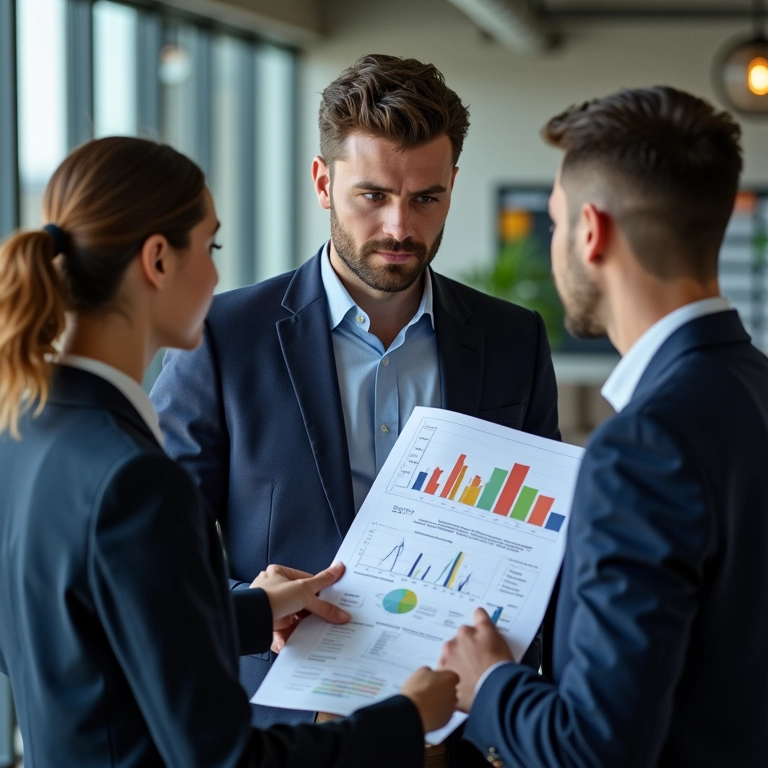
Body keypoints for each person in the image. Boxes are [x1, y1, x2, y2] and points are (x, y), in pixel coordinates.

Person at [0, 136, 459, 768]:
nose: (217, 276)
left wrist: (252, 611)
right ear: (157, 260)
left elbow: (70, 633)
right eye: (210, 247)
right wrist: (405, 719)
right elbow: (227, 758)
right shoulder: (137, 479)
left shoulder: (23, 427)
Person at [150, 54, 560, 735]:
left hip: (462, 724)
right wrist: (250, 605)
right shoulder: (223, 337)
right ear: (323, 181)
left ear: (452, 186)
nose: (400, 227)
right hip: (288, 725)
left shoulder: (513, 339)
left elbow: (543, 545)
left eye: (425, 198)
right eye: (373, 196)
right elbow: (161, 550)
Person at [438, 86, 768, 767]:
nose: (553, 244)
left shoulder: (643, 446)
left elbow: (594, 749)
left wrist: (488, 683)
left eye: (555, 223)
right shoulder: (754, 385)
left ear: (591, 232)